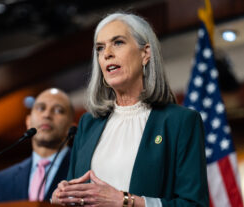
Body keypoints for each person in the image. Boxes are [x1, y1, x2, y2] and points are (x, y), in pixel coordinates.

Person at [52, 12, 209, 207]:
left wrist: (126, 201)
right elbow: (78, 193)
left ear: (145, 53)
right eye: (100, 48)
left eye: (117, 42)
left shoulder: (180, 121)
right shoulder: (88, 124)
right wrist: (63, 196)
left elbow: (194, 204)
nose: (107, 53)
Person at [0, 88, 75, 203]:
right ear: (28, 122)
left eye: (58, 110)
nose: (47, 115)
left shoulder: (84, 170)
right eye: (40, 108)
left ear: (71, 127)